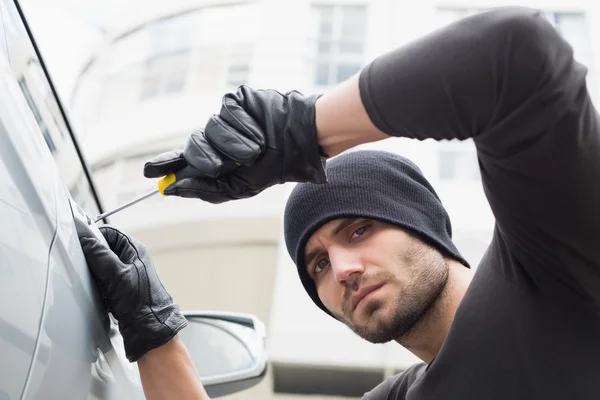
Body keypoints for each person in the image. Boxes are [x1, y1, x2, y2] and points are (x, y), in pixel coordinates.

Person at [82, 6, 600, 399]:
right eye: (319, 264)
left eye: (358, 230)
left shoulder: (549, 268)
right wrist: (154, 334)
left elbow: (515, 56)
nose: (344, 270)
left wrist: (300, 131)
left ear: (425, 225)